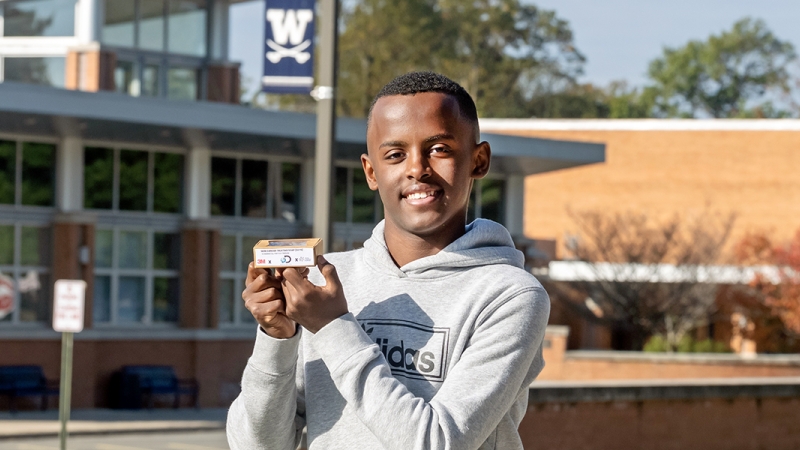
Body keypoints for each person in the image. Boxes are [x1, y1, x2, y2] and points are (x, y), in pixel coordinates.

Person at [226, 71, 550, 450]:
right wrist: (277, 337)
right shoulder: (329, 284)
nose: (417, 168)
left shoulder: (511, 296)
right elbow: (256, 445)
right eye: (395, 155)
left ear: (479, 161)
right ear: (370, 171)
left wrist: (333, 328)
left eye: (439, 149)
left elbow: (437, 443)